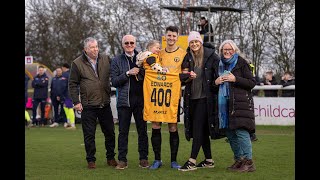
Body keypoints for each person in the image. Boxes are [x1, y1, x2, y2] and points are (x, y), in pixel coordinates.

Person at [68, 37, 117, 169]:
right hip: (88, 105)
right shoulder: (77, 63)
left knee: (110, 133)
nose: (95, 49)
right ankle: (91, 160)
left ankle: (111, 157)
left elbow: (116, 72)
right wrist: (76, 101)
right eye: (92, 47)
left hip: (105, 103)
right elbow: (72, 84)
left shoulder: (106, 59)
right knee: (89, 135)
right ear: (85, 49)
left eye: (96, 46)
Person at [178, 31, 220, 171]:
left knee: (197, 129)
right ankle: (209, 160)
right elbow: (182, 76)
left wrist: (215, 86)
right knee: (201, 130)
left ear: (200, 43)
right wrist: (188, 76)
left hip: (206, 99)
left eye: (196, 42)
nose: (194, 44)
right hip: (191, 99)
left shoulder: (212, 56)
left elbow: (217, 76)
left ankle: (192, 161)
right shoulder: (187, 56)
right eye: (191, 42)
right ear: (189, 44)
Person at [214, 40, 256, 172]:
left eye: (229, 49)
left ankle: (248, 162)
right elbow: (212, 86)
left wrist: (235, 79)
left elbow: (251, 83)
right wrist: (216, 82)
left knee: (241, 131)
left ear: (234, 50)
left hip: (240, 104)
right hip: (225, 105)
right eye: (224, 49)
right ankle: (239, 160)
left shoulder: (242, 62)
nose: (227, 51)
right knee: (230, 133)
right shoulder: (218, 64)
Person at [149, 26, 187, 170]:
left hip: (173, 97)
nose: (171, 38)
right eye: (169, 36)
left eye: (174, 36)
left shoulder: (183, 53)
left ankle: (173, 161)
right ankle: (157, 160)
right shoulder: (159, 53)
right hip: (157, 95)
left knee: (172, 126)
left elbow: (184, 74)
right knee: (156, 125)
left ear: (177, 37)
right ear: (165, 37)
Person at [110, 34, 149, 170]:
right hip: (124, 102)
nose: (129, 45)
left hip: (141, 101)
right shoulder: (116, 60)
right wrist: (128, 73)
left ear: (135, 44)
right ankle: (122, 160)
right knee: (123, 132)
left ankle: (143, 159)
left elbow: (150, 76)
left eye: (132, 42)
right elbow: (114, 81)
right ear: (122, 45)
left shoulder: (144, 59)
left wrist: (141, 72)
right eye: (126, 43)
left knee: (142, 131)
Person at [62, 63, 76, 129]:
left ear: (64, 68)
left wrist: (61, 93)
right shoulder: (72, 73)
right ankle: (69, 122)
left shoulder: (65, 74)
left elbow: (63, 85)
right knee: (65, 107)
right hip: (71, 92)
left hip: (68, 93)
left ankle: (72, 124)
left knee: (70, 107)